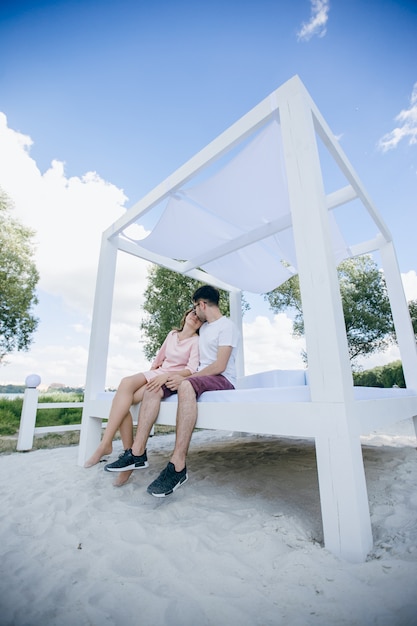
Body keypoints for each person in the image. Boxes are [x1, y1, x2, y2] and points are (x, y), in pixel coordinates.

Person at [106, 284, 240, 497]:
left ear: (202, 304)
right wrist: (170, 376)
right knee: (154, 388)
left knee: (185, 385)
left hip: (221, 379)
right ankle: (137, 452)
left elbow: (219, 365)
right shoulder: (202, 329)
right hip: (197, 378)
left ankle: (178, 465)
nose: (194, 312)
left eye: (195, 307)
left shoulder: (227, 327)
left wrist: (183, 379)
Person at [84, 308, 202, 472]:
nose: (195, 317)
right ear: (186, 315)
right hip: (156, 373)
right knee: (125, 385)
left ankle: (116, 449)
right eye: (192, 313)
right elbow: (158, 359)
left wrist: (166, 376)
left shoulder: (196, 341)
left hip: (168, 377)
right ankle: (108, 445)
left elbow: (191, 369)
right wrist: (149, 375)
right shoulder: (172, 335)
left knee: (123, 402)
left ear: (201, 324)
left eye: (199, 317)